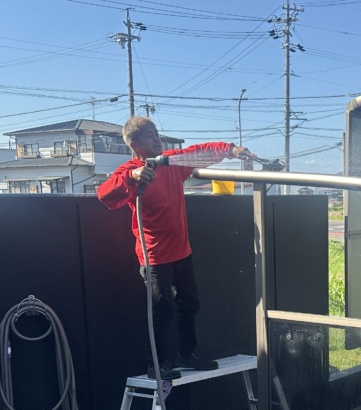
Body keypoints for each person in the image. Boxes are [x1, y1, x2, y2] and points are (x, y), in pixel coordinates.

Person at [98, 116, 255, 380]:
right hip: (154, 255)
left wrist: (231, 149)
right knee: (162, 309)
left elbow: (200, 152)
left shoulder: (171, 162)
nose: (157, 138)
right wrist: (131, 177)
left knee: (190, 303)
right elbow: (104, 194)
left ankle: (187, 353)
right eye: (150, 135)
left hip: (182, 251)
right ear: (135, 144)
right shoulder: (131, 170)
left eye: (157, 133)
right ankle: (159, 364)